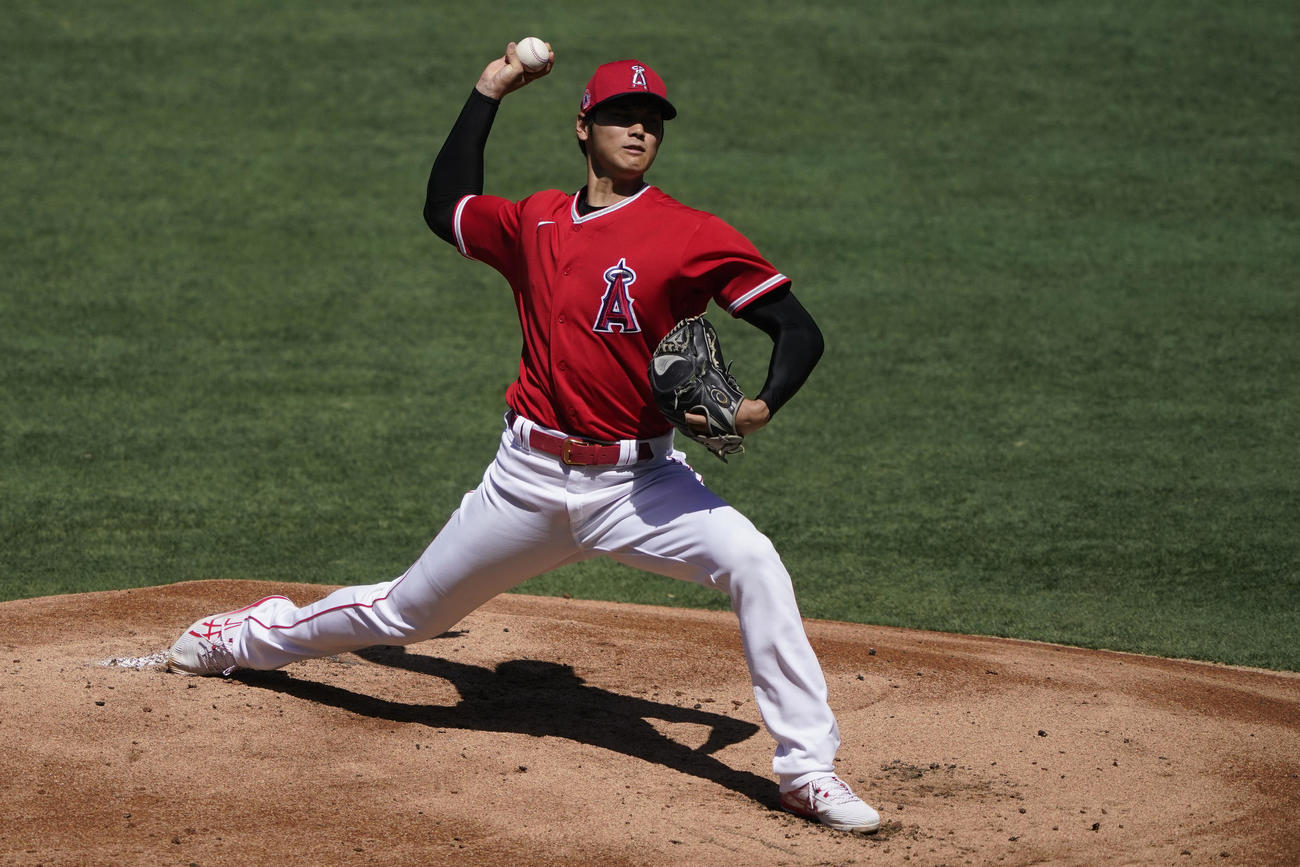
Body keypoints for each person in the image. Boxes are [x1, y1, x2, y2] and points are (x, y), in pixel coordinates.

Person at [167, 42, 879, 834]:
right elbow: (445, 208)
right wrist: (490, 89)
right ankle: (243, 636)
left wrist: (762, 404)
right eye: (621, 116)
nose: (639, 130)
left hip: (639, 486)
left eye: (652, 121)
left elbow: (796, 327)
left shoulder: (689, 234)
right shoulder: (536, 219)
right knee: (404, 617)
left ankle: (807, 770)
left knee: (754, 561)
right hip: (526, 481)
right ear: (585, 126)